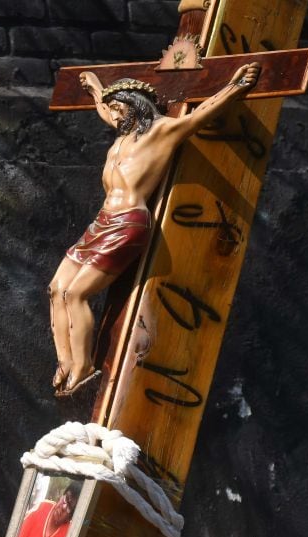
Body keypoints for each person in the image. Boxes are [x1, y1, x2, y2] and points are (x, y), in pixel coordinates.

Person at [48, 65, 260, 397]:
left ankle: (83, 366)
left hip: (127, 222)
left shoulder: (161, 132)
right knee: (56, 288)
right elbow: (104, 109)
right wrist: (94, 88)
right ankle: (64, 362)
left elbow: (198, 117)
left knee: (75, 294)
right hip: (101, 222)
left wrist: (235, 87)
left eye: (119, 108)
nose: (114, 114)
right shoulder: (122, 132)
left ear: (135, 104)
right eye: (113, 109)